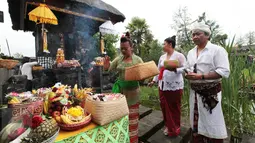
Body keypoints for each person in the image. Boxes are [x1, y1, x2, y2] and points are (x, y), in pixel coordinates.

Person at [185, 22, 230, 143]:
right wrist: (187, 74)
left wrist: (201, 76)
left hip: (211, 93)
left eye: (197, 34)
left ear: (207, 35)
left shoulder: (217, 50)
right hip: (194, 92)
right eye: (193, 34)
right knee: (196, 120)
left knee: (212, 121)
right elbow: (187, 67)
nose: (194, 36)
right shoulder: (190, 53)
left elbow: (224, 71)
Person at [104, 32, 143, 143]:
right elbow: (108, 69)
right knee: (121, 118)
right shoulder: (119, 59)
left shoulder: (138, 60)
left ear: (131, 47)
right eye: (121, 49)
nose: (123, 51)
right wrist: (106, 66)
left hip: (133, 93)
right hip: (120, 93)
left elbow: (144, 74)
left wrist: (144, 78)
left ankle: (133, 140)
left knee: (132, 120)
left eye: (125, 48)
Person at [148, 36, 186, 136]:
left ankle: (175, 128)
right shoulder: (162, 57)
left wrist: (175, 70)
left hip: (175, 86)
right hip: (162, 85)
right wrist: (153, 81)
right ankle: (168, 126)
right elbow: (158, 70)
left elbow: (186, 68)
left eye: (164, 44)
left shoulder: (179, 56)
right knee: (164, 107)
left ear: (170, 44)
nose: (163, 46)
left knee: (174, 107)